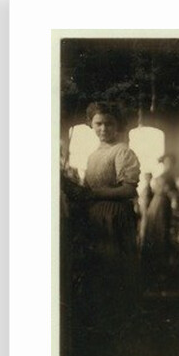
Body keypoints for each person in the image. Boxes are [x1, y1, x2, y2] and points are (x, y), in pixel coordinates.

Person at [63, 101, 141, 331]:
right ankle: (101, 322)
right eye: (98, 123)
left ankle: (119, 323)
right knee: (97, 270)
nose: (103, 129)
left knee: (115, 269)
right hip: (94, 217)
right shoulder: (92, 155)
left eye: (109, 124)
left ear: (117, 126)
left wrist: (93, 194)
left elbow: (129, 190)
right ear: (91, 125)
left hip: (115, 216)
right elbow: (87, 185)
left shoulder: (123, 152)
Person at [142, 153, 178, 285]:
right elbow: (171, 193)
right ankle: (157, 270)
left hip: (161, 205)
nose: (169, 164)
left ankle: (159, 270)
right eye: (167, 162)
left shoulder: (169, 176)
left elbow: (174, 192)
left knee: (160, 233)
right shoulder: (165, 176)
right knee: (157, 233)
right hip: (158, 205)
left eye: (170, 162)